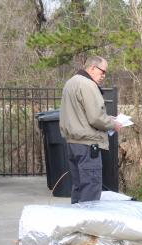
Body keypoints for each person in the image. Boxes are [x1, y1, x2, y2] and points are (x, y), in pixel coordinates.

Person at [59, 56, 121, 204]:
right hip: (88, 145)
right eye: (102, 71)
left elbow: (81, 114)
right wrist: (113, 124)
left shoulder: (71, 82)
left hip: (73, 144)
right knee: (91, 189)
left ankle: (77, 224)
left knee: (79, 187)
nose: (103, 76)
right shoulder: (88, 85)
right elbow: (95, 118)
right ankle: (87, 224)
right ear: (92, 68)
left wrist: (106, 118)